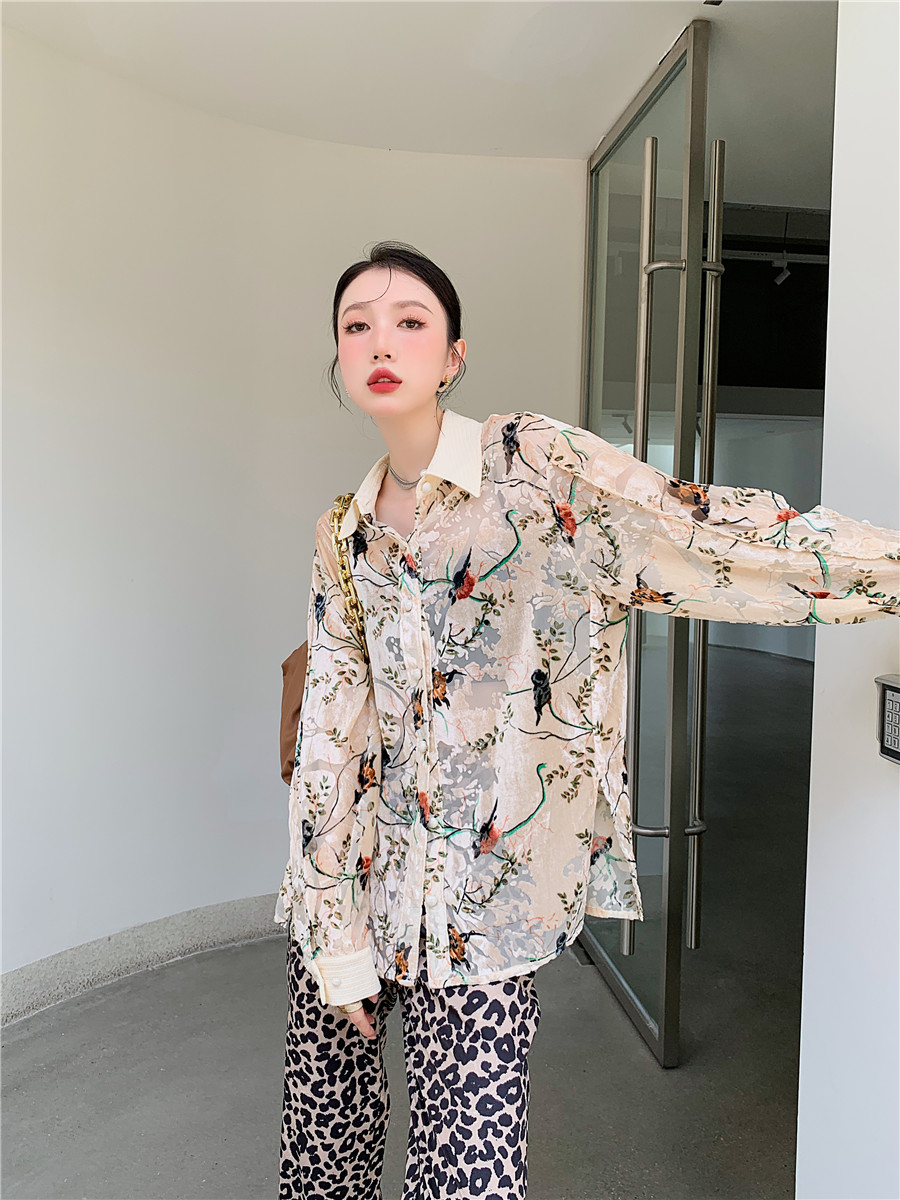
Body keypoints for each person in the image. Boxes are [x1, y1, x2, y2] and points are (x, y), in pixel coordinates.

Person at [274, 240, 899, 1200]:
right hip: (355, 877)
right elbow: (331, 728)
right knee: (323, 1152)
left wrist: (888, 571)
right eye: (357, 326)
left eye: (410, 322)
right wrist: (332, 932)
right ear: (338, 357)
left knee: (468, 1171)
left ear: (454, 356)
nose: (381, 343)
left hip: (484, 899)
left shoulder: (534, 467)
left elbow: (701, 533)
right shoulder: (343, 533)